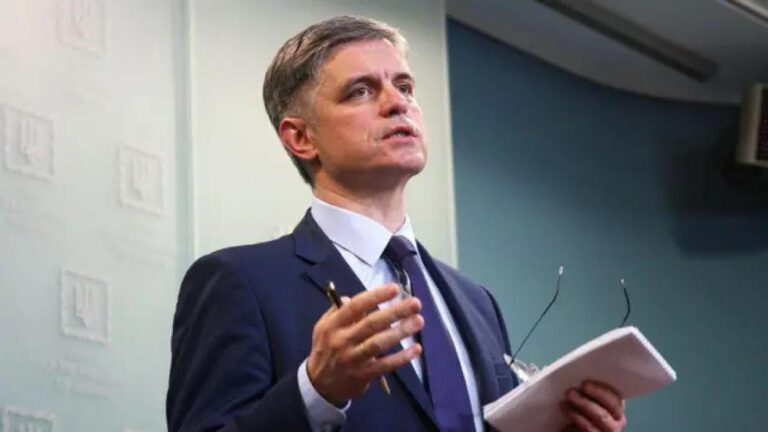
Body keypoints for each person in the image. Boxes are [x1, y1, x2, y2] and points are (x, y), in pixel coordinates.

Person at [166, 16, 628, 432]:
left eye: (405, 87)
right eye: (361, 91)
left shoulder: (477, 302)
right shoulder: (239, 282)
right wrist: (315, 391)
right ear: (301, 137)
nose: (397, 103)